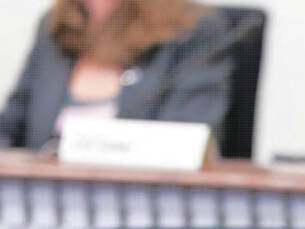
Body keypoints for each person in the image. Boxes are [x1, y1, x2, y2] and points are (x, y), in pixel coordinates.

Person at [0, 0, 232, 152]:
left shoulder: (194, 31)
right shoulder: (55, 28)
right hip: (43, 200)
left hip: (141, 202)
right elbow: (10, 126)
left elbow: (187, 139)